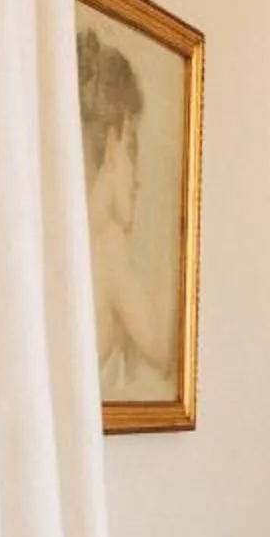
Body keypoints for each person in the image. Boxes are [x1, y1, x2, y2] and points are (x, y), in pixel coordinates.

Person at [79, 25, 178, 399]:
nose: (138, 181)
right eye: (133, 150)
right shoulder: (107, 242)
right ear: (115, 145)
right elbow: (161, 349)